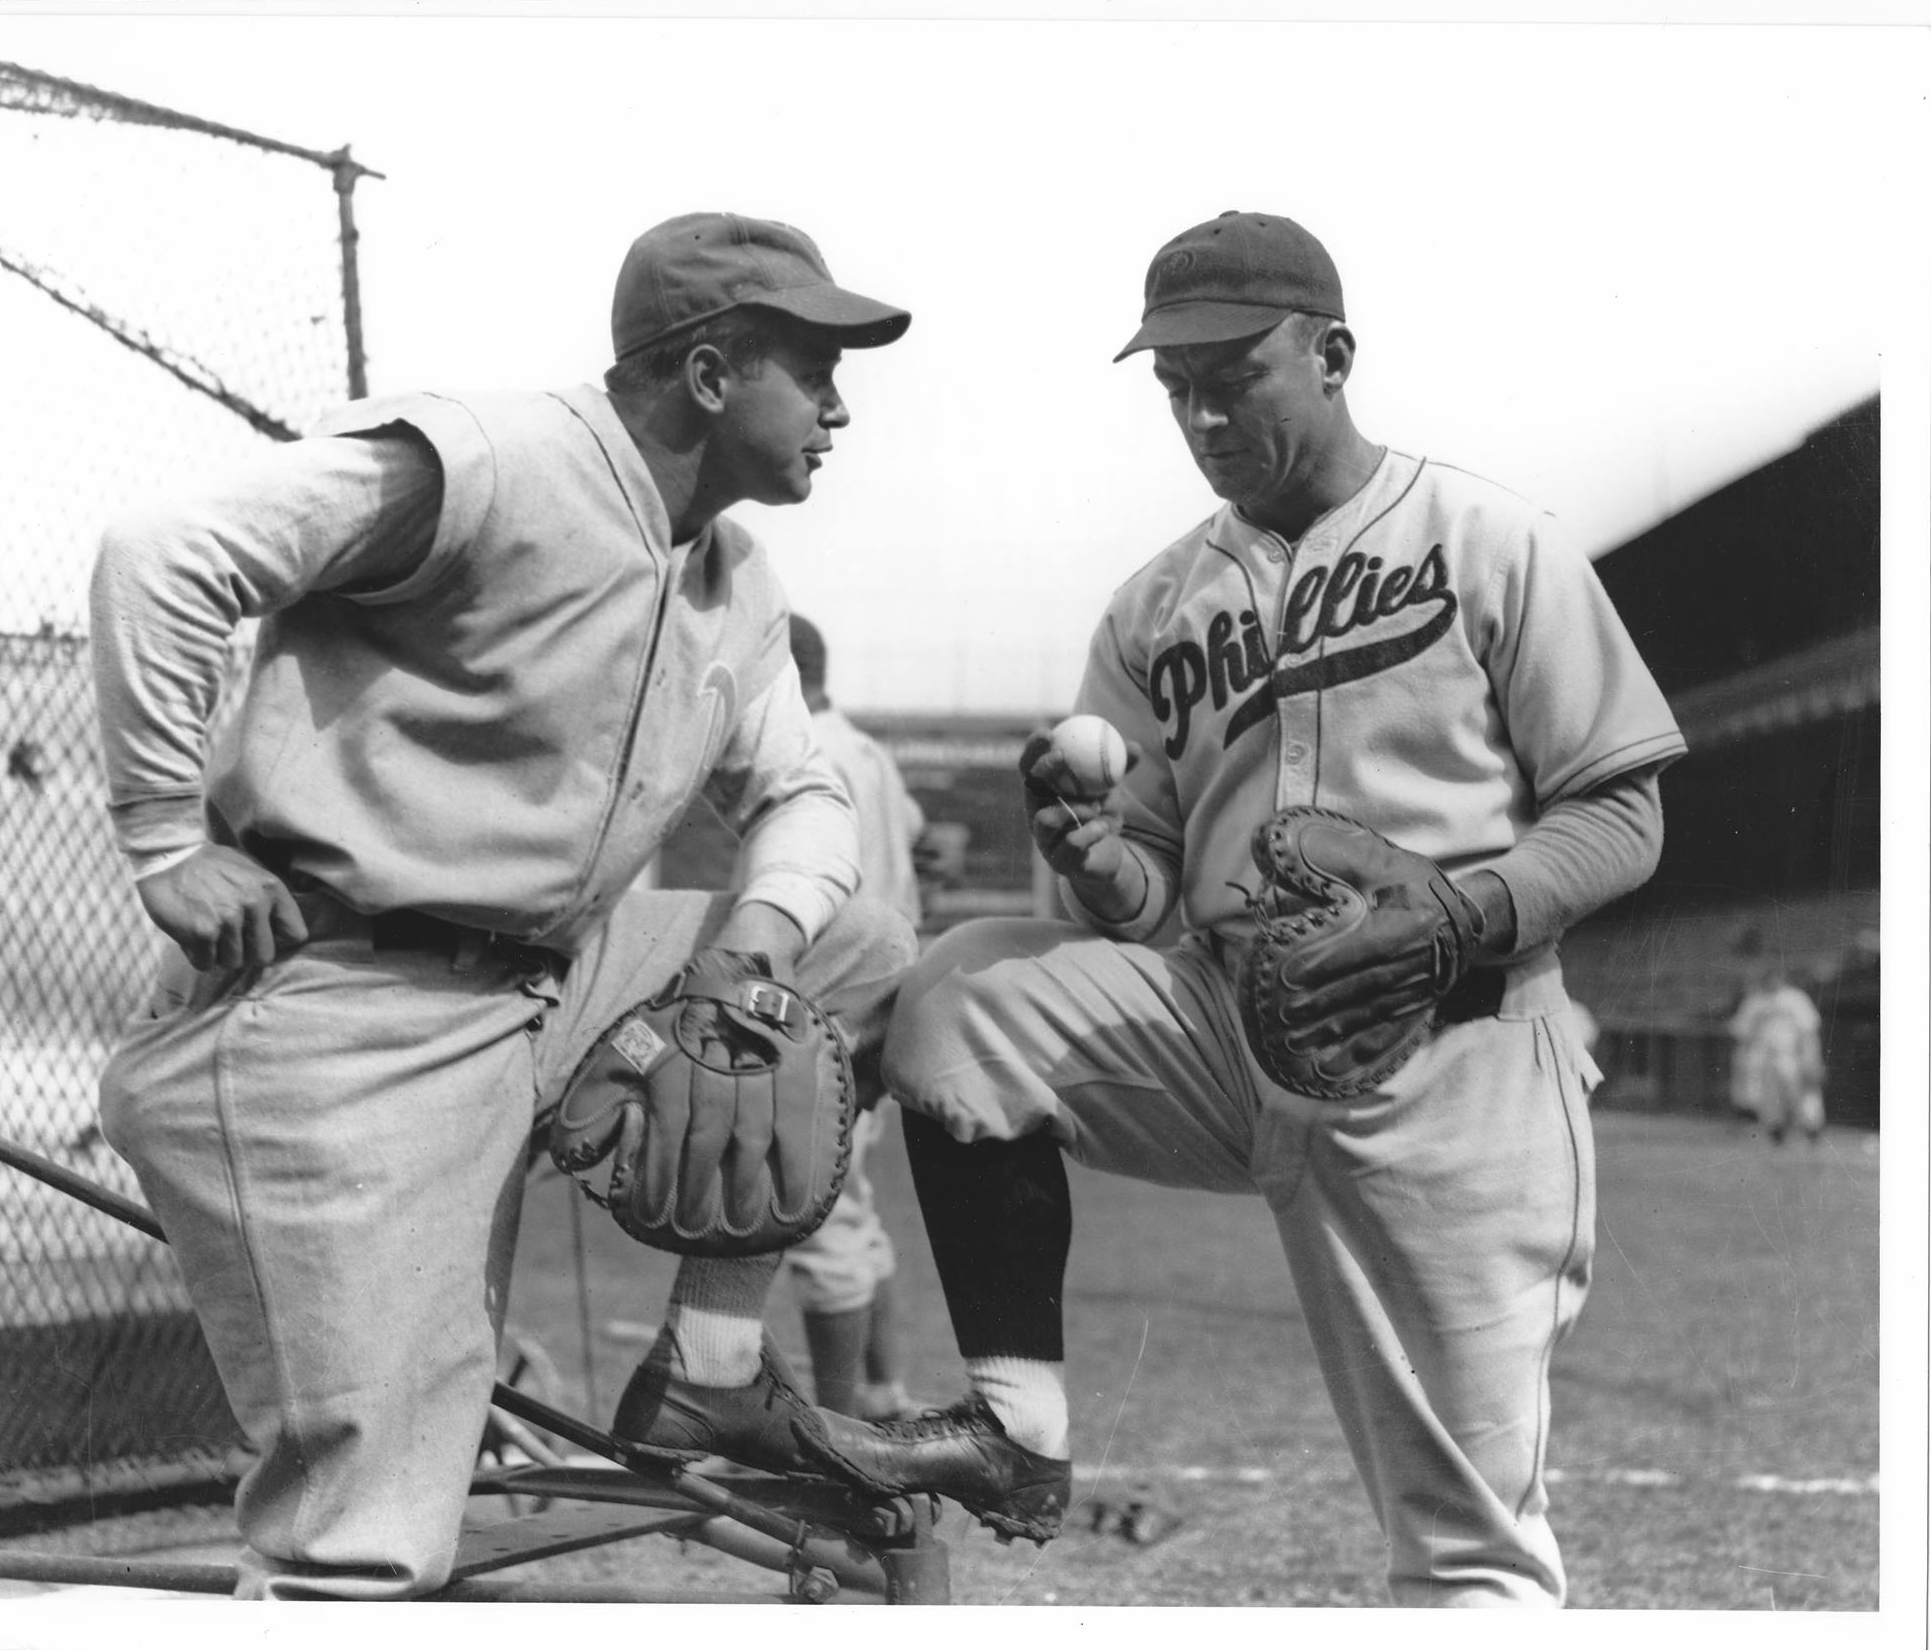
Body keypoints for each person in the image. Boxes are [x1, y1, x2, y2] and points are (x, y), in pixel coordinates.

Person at [89, 212, 926, 1599]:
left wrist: (752, 949)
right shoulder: (492, 461)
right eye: (814, 367)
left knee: (859, 947)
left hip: (546, 989)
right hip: (341, 1017)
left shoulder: (728, 567)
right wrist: (165, 836)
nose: (838, 406)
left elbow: (808, 791)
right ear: (712, 375)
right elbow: (161, 553)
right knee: (365, 1540)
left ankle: (714, 1368)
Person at [862, 212, 1689, 1600]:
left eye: (1232, 371)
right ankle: (1016, 1421)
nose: (1199, 410)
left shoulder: (1491, 541)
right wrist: (1087, 849)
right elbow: (1143, 896)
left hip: (1456, 1045)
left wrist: (1455, 914)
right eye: (1174, 384)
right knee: (963, 995)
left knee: (1468, 1545)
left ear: (1334, 353)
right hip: (1222, 1023)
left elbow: (1622, 813)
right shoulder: (1154, 605)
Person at [779, 612, 923, 1417]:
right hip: (887, 999)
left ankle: (833, 1424)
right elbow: (923, 836)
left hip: (837, 995)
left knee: (812, 1207)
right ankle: (882, 1388)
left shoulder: (809, 750)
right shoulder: (865, 746)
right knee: (852, 1204)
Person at [1728, 972, 1825, 1144]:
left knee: (1803, 1097)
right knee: (1770, 1102)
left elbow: (1809, 1032)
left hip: (1792, 1055)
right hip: (1764, 1058)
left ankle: (1813, 1134)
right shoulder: (1754, 1001)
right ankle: (1776, 1138)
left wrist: (1811, 1058)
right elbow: (1741, 1032)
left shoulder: (1796, 998)